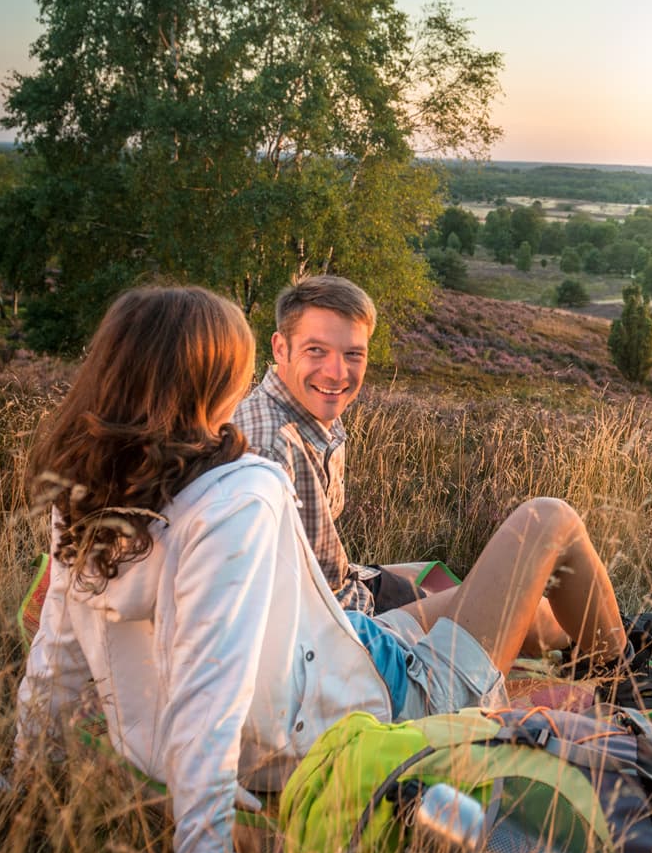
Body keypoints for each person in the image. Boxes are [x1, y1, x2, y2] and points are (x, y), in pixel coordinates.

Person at [14, 285, 627, 853]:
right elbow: (209, 700)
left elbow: (54, 650)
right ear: (218, 377)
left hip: (341, 649)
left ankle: (585, 645)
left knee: (515, 612)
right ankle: (624, 672)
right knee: (548, 519)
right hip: (383, 698)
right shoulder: (239, 495)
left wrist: (22, 779)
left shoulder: (88, 494)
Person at [233, 274, 575, 654]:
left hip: (344, 592)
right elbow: (305, 603)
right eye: (316, 350)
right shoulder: (274, 447)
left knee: (446, 581)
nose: (336, 372)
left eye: (352, 355)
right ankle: (609, 656)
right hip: (343, 631)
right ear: (280, 348)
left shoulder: (304, 410)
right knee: (517, 610)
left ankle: (607, 635)